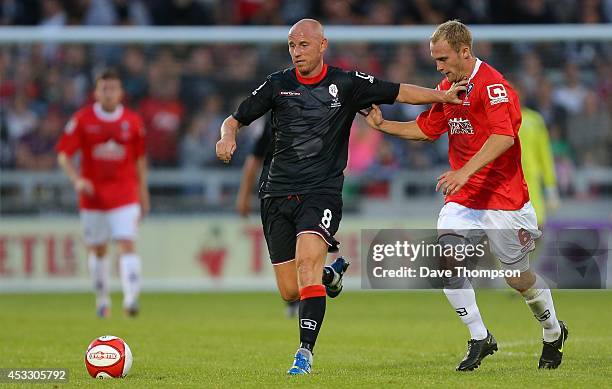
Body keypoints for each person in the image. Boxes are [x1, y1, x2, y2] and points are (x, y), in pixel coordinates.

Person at [216, 18, 466, 375]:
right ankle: (330, 278)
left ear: (322, 45)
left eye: (303, 45)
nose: (297, 52)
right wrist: (227, 137)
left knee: (306, 265)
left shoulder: (346, 83)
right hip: (275, 194)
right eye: (291, 45)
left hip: (321, 192)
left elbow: (398, 91)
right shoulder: (277, 84)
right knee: (291, 291)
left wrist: (440, 95)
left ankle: (304, 353)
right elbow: (234, 118)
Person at [364, 20, 568, 371]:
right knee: (448, 258)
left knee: (517, 278)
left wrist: (463, 171)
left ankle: (553, 331)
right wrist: (384, 126)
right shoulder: (448, 88)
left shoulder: (493, 87)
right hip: (464, 198)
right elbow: (426, 130)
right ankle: (479, 337)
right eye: (435, 59)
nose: (438, 66)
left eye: (443, 58)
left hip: (505, 199)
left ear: (464, 51)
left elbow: (503, 137)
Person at [56, 70, 149, 318]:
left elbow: (140, 160)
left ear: (121, 93)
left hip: (124, 194)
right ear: (96, 93)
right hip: (93, 198)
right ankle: (103, 299)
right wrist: (77, 180)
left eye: (113, 89)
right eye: (104, 89)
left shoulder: (133, 121)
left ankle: (131, 300)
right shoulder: (82, 120)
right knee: (97, 249)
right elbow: (64, 155)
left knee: (126, 243)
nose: (109, 94)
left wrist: (143, 193)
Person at [235, 118, 347, 319]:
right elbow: (255, 157)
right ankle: (329, 275)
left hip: (310, 198)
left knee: (304, 260)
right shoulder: (275, 120)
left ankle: (306, 342)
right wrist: (244, 195)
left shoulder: (321, 115)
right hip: (277, 199)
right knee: (290, 289)